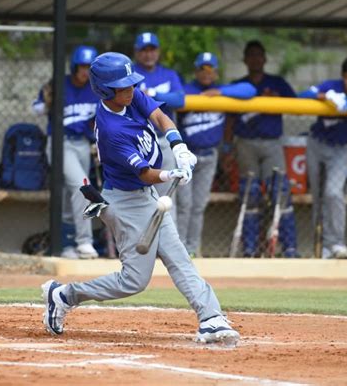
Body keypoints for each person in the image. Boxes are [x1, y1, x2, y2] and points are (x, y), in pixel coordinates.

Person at [41, 52, 240, 346]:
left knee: (178, 257)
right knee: (133, 281)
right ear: (106, 90)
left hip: (146, 196)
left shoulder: (131, 97)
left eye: (131, 84)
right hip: (125, 202)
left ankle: (210, 318)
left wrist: (179, 146)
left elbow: (160, 116)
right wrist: (171, 175)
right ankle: (64, 295)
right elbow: (146, 173)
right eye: (124, 86)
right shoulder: (111, 129)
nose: (131, 89)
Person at [222, 40, 299, 258]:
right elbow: (229, 120)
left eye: (259, 55)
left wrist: (278, 100)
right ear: (245, 60)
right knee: (250, 194)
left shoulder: (277, 83)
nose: (256, 59)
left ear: (264, 59)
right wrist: (227, 149)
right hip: (246, 143)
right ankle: (249, 249)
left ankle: (290, 248)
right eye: (251, 55)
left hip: (272, 143)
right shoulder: (239, 84)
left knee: (280, 192)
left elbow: (296, 105)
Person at [177, 52, 256, 257]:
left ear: (216, 72)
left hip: (210, 155)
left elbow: (250, 90)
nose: (206, 73)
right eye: (202, 69)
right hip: (186, 155)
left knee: (199, 205)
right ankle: (178, 248)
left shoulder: (223, 92)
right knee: (184, 205)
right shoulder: (187, 89)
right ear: (196, 71)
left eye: (210, 69)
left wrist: (219, 93)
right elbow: (169, 100)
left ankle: (191, 249)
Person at [299, 57, 347, 259]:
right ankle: (322, 245)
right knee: (318, 196)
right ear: (343, 77)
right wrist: (323, 96)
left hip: (339, 150)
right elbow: (302, 95)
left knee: (334, 193)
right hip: (316, 143)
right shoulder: (332, 86)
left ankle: (337, 243)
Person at [32, 45, 99, 259]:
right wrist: (47, 105)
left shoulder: (98, 89)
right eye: (82, 67)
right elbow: (35, 108)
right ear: (74, 67)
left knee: (69, 197)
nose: (86, 71)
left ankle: (66, 244)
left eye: (90, 67)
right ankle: (85, 242)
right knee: (82, 186)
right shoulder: (60, 84)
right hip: (60, 143)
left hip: (83, 145)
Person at [133, 32, 185, 221]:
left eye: (152, 49)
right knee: (137, 194)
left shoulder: (168, 74)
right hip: (138, 142)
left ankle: (170, 244)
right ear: (137, 52)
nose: (148, 54)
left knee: (167, 196)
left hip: (163, 140)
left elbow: (179, 99)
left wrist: (152, 93)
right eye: (144, 50)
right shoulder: (130, 73)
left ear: (158, 51)